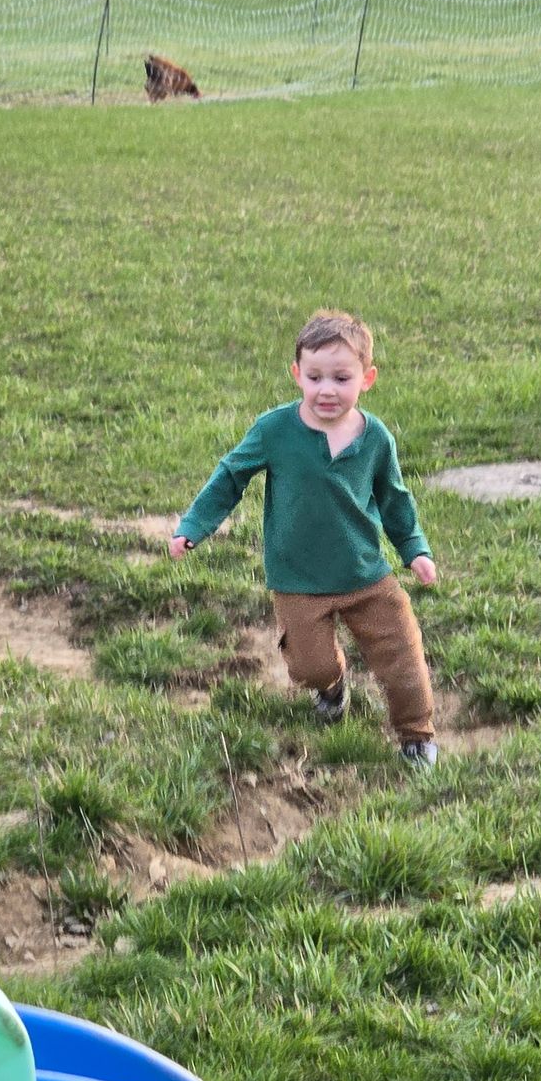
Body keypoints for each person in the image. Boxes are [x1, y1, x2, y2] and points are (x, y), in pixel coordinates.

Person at [169, 311, 438, 765]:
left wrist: (414, 549)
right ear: (297, 374)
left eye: (341, 378)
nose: (326, 390)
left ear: (367, 378)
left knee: (403, 655)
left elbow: (394, 498)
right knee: (310, 667)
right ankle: (331, 688)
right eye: (315, 378)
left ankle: (417, 736)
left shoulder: (376, 438)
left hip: (365, 573)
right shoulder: (274, 430)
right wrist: (194, 527)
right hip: (297, 578)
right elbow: (231, 476)